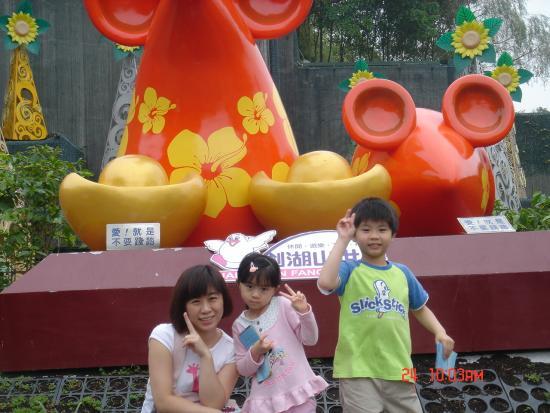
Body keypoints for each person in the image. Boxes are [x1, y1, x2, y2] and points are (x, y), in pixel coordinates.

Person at [318, 197, 455, 413]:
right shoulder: (350, 269)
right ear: (355, 234)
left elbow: (420, 308)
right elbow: (325, 283)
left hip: (399, 371)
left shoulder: (403, 273)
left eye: (382, 229)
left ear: (393, 234)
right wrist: (342, 239)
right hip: (358, 372)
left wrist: (440, 332)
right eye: (366, 230)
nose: (374, 236)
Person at [232, 252, 328, 413]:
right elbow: (243, 369)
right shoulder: (239, 325)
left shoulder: (283, 305)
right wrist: (255, 352)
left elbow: (310, 339)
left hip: (298, 393)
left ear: (275, 289)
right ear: (238, 284)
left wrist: (304, 312)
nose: (255, 294)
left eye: (264, 289)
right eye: (249, 286)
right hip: (265, 402)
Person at [141, 265, 239, 413]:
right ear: (183, 306)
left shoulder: (231, 349)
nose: (206, 309)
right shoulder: (164, 337)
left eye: (212, 298)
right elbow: (163, 402)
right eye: (196, 301)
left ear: (223, 300)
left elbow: (214, 404)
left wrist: (205, 356)